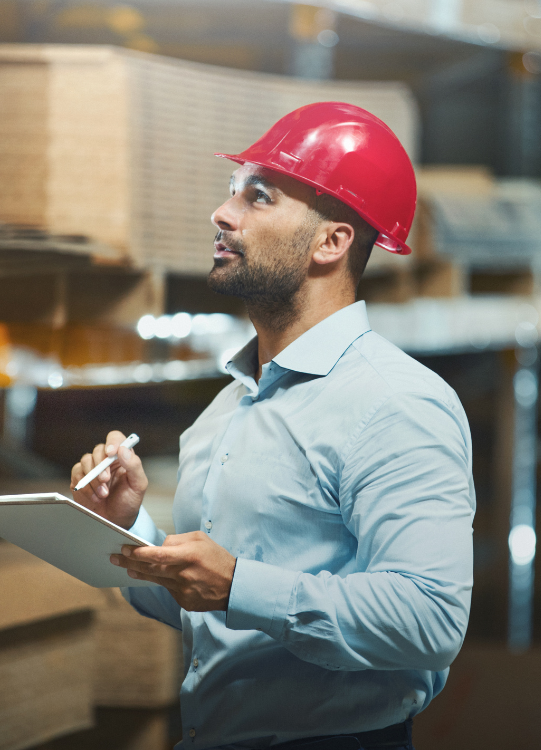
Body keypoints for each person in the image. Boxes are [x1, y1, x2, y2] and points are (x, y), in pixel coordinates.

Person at [69, 102, 475, 750]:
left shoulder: (395, 403)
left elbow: (429, 619)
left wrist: (238, 584)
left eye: (258, 197)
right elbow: (208, 607)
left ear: (332, 242)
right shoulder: (227, 411)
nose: (223, 214)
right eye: (231, 193)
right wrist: (130, 530)